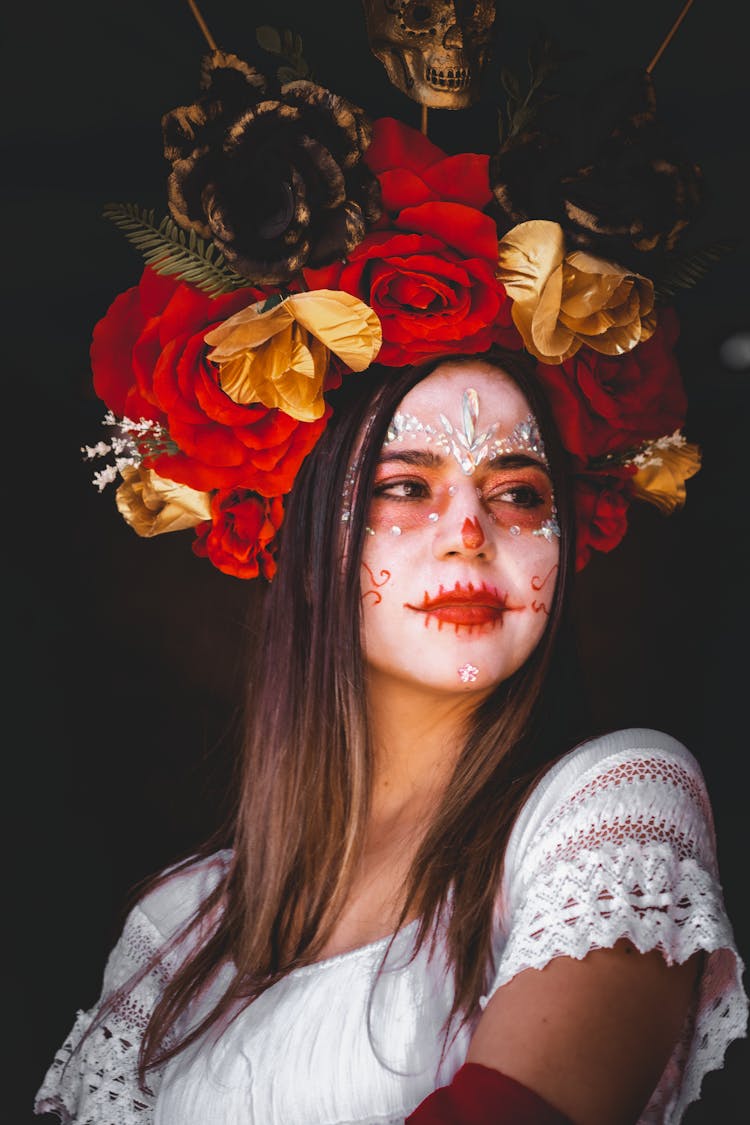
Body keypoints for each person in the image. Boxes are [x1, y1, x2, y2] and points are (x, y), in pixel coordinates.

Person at [35, 348, 747, 1124]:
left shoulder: (614, 809)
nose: (469, 532)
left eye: (516, 493)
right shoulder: (177, 925)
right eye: (405, 487)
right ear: (310, 552)